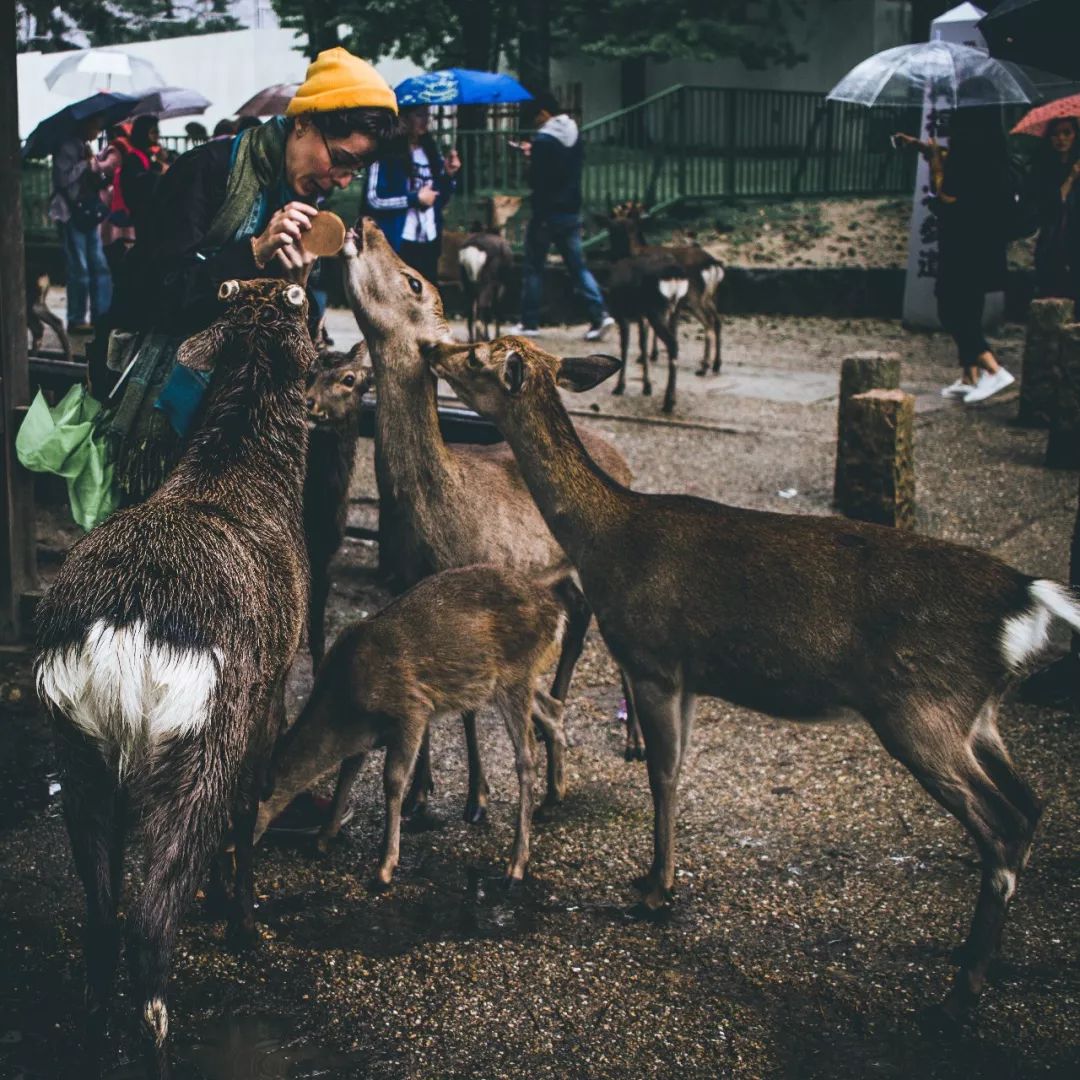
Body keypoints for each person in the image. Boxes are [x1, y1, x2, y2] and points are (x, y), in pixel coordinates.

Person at [895, 106, 1015, 404]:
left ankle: (992, 367)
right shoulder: (993, 154)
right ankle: (969, 375)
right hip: (984, 244)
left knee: (949, 306)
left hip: (961, 244)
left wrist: (935, 162)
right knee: (969, 304)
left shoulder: (967, 158)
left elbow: (946, 195)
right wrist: (924, 147)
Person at [511, 91, 613, 341]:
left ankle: (529, 321)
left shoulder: (544, 141)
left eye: (535, 117)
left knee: (534, 267)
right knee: (577, 267)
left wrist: (530, 156)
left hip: (546, 213)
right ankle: (599, 314)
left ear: (544, 113)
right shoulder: (574, 134)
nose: (535, 123)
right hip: (570, 210)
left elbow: (538, 179)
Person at [364, 104, 460, 284]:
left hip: (429, 239)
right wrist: (413, 199)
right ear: (404, 118)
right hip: (399, 240)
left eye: (427, 115)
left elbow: (440, 199)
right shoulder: (386, 154)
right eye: (419, 115)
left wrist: (448, 175)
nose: (425, 120)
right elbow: (373, 200)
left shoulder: (431, 153)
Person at [49, 113, 112, 333]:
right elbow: (62, 179)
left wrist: (92, 163)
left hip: (87, 212)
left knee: (98, 265)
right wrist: (84, 164)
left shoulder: (85, 147)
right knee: (80, 268)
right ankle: (76, 318)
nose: (97, 131)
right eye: (95, 125)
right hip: (71, 213)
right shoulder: (68, 147)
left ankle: (101, 315)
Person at [1026, 116, 1080, 307]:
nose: (1061, 139)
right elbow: (1053, 203)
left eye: (1067, 133)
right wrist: (1071, 177)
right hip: (1052, 235)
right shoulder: (1043, 166)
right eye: (1055, 134)